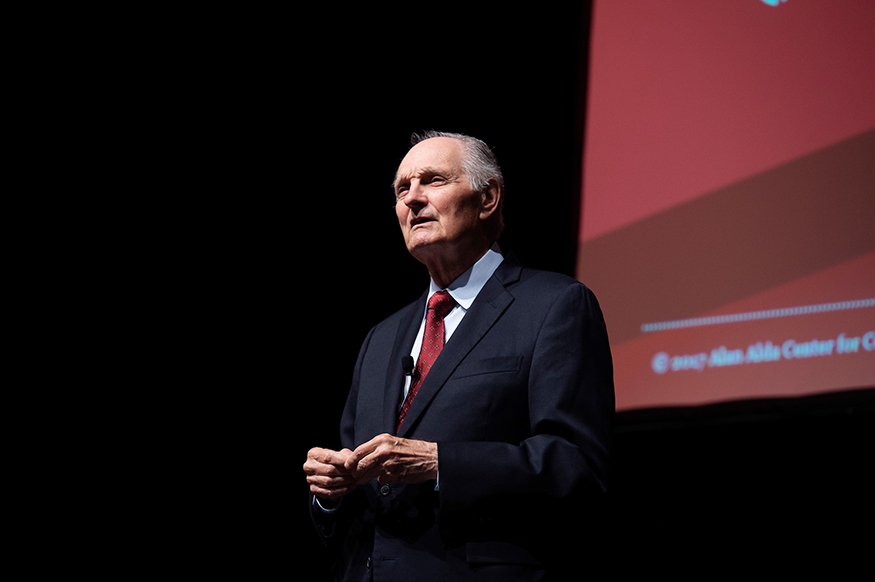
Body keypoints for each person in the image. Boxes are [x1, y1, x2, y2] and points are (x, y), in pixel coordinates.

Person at [303, 131, 614, 581]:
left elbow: (577, 467)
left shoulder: (555, 306)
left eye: (432, 181)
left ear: (487, 198)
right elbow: (360, 502)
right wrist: (330, 493)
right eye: (401, 188)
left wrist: (440, 463)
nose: (413, 199)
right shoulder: (381, 337)